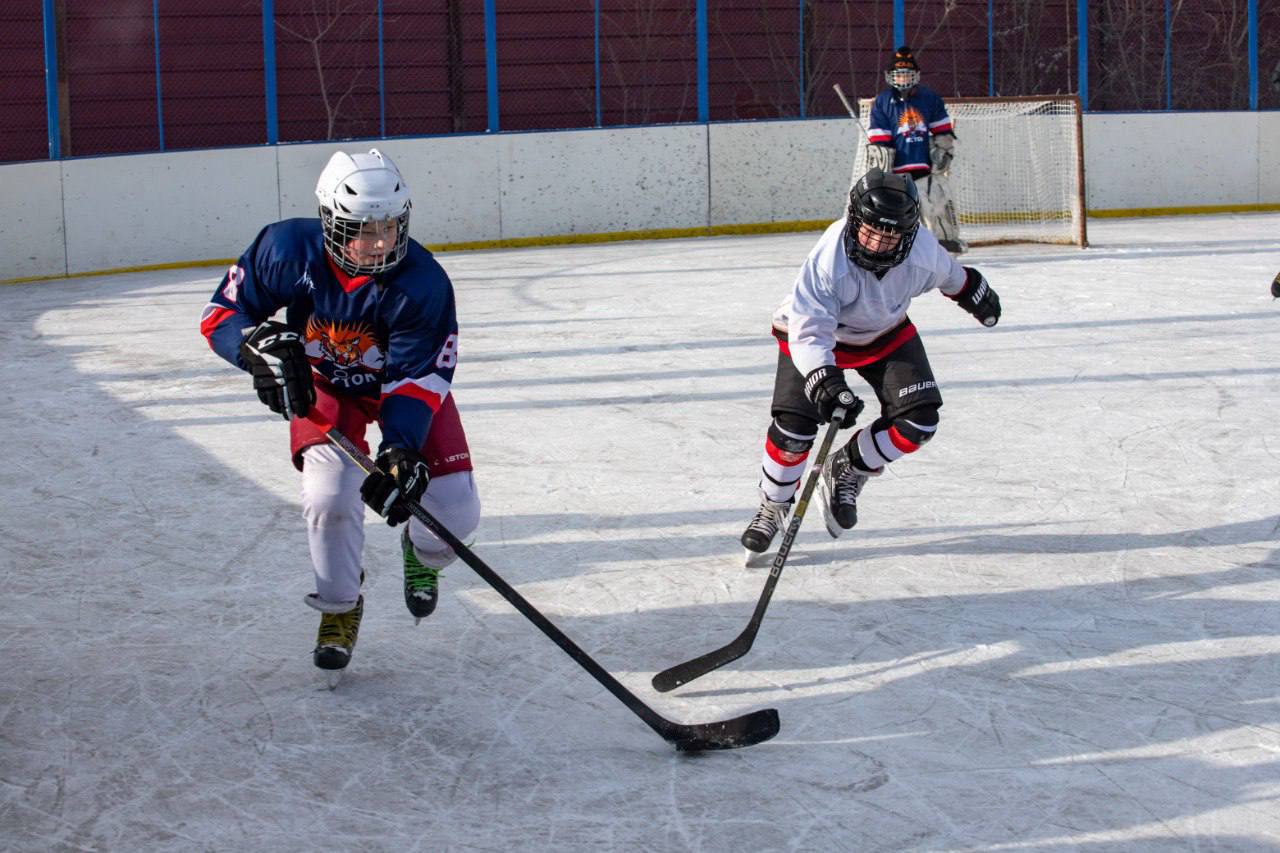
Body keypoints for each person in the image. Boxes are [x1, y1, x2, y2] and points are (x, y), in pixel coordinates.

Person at [199, 148, 481, 683]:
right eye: (362, 231)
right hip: (323, 388)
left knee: (456, 511)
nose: (379, 244)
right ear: (329, 221)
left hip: (395, 387)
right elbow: (222, 314)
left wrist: (400, 448)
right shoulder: (284, 249)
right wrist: (251, 348)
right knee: (328, 499)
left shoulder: (422, 282)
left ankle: (421, 552)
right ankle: (339, 605)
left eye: (389, 228)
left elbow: (415, 378)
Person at [740, 168, 1000, 560]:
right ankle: (773, 505)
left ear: (909, 233)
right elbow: (809, 333)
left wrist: (974, 294)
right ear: (854, 220)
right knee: (794, 431)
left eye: (891, 235)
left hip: (883, 332)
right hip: (815, 336)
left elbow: (953, 277)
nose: (879, 243)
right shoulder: (827, 260)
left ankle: (849, 466)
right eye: (871, 230)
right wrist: (825, 381)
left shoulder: (923, 254)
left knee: (919, 423)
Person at [864, 46, 965, 254]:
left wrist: (944, 151)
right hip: (896, 175)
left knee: (938, 208)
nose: (904, 79)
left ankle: (946, 247)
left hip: (925, 170)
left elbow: (943, 131)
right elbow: (879, 142)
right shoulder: (883, 102)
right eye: (899, 74)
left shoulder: (929, 98)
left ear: (916, 75)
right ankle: (897, 252)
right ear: (891, 76)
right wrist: (882, 167)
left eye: (908, 74)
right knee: (897, 218)